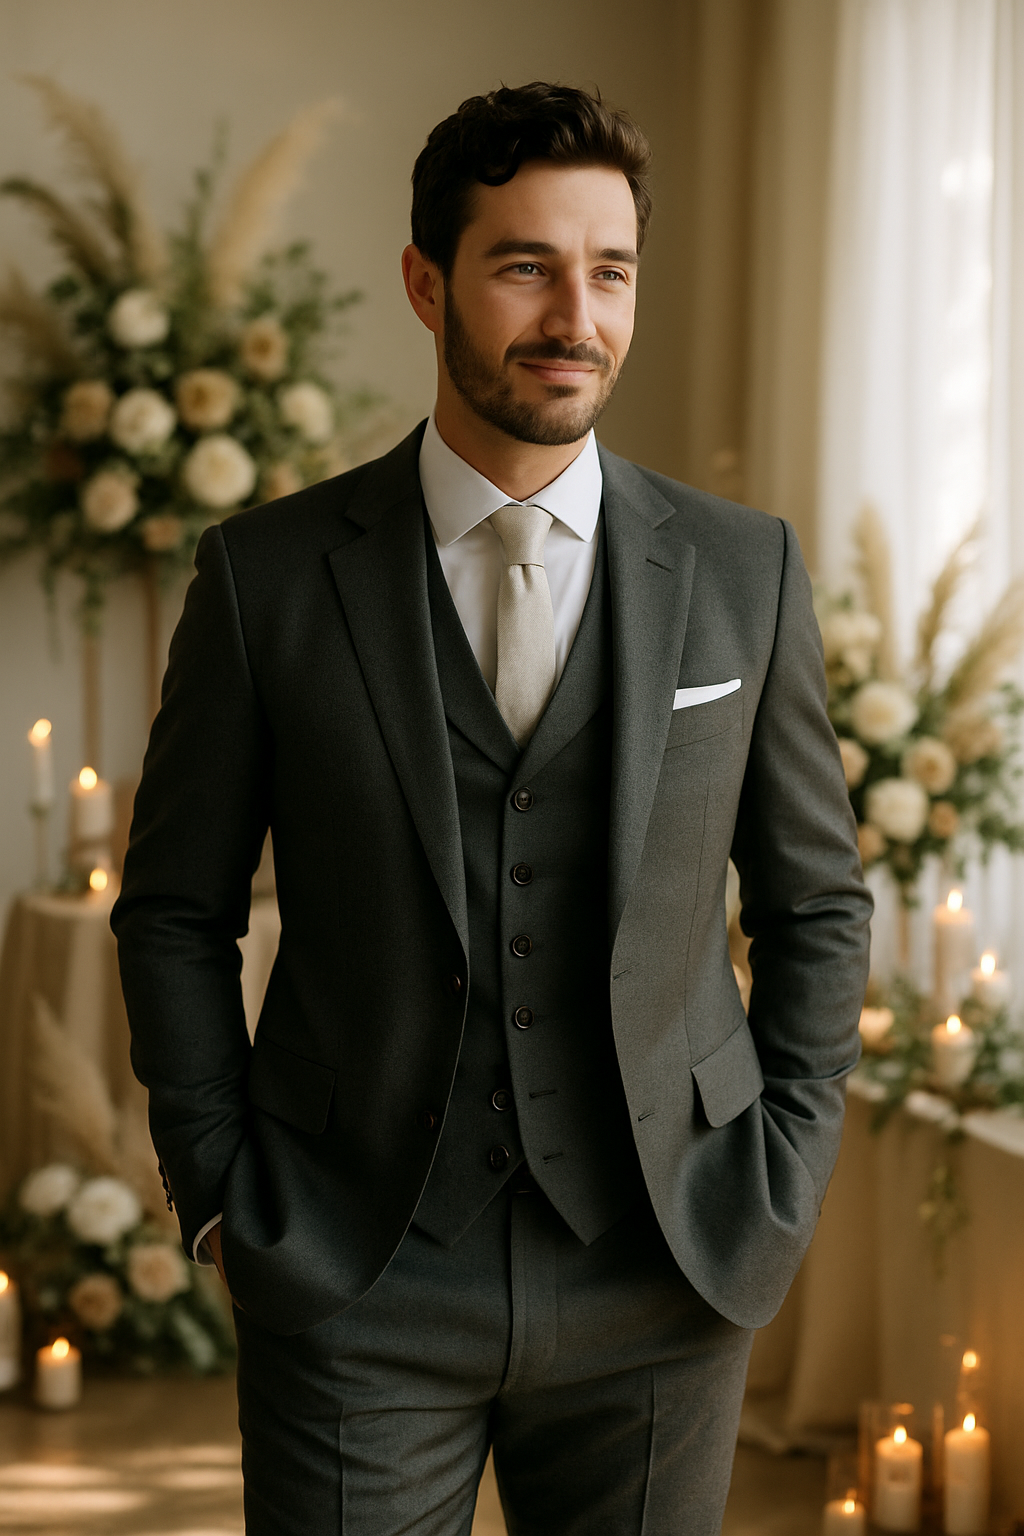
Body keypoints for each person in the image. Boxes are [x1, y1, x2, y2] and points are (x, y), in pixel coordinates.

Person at [112, 81, 872, 1536]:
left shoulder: (742, 571)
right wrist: (219, 1188)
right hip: (356, 1268)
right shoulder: (265, 580)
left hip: (668, 1258)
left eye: (611, 271)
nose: (574, 316)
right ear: (427, 281)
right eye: (526, 265)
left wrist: (776, 1175)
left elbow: (816, 899)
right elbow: (176, 908)